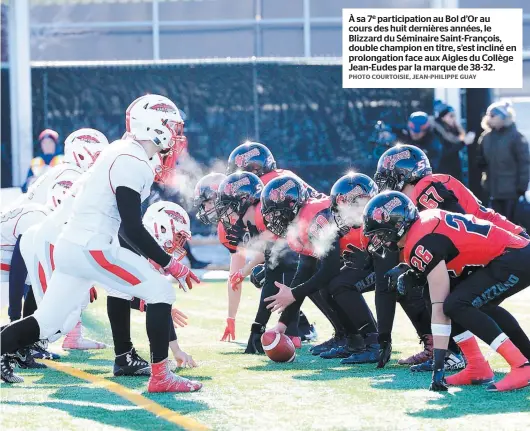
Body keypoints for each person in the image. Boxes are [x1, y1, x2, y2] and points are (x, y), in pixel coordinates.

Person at [0, 94, 202, 393]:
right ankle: (161, 376)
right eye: (171, 126)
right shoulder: (132, 160)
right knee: (160, 289)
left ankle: (131, 358)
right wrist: (171, 264)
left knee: (48, 321)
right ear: (153, 125)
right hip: (92, 245)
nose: (174, 134)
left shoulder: (122, 151)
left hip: (74, 245)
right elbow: (132, 227)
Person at [363, 191, 530, 392]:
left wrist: (438, 366)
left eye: (381, 234)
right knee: (460, 301)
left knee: (455, 304)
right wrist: (413, 272)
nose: (380, 240)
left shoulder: (420, 242)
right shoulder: (423, 223)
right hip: (508, 256)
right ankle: (477, 366)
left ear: (397, 225)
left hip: (512, 258)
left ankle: (521, 365)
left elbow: (440, 306)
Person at [260, 175, 380, 364]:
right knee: (320, 285)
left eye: (277, 213)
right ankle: (351, 339)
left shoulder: (315, 217)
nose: (274, 220)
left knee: (337, 284)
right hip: (361, 258)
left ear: (291, 205)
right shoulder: (302, 222)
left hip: (379, 255)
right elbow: (305, 271)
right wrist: (282, 324)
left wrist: (293, 294)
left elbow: (330, 269)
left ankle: (373, 341)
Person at [477, 101, 530, 222]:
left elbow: (524, 164)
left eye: (493, 115)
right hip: (493, 192)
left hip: (512, 193)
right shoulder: (486, 137)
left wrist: (521, 188)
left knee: (513, 225)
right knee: (497, 226)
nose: (489, 118)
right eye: (488, 115)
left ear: (503, 117)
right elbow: (482, 161)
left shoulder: (516, 137)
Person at [432, 101, 475, 182]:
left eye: (454, 116)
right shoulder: (436, 132)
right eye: (451, 116)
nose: (454, 119)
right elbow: (444, 152)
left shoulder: (452, 129)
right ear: (443, 117)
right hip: (443, 175)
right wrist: (463, 142)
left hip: (454, 173)